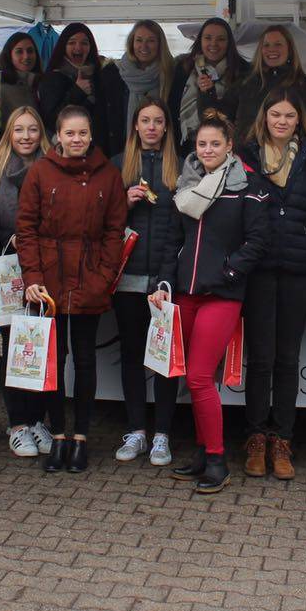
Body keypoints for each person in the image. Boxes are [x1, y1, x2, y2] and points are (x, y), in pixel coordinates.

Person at [151, 111, 271, 494]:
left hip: (222, 294)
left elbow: (258, 241)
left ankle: (218, 461)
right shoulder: (186, 184)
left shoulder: (248, 186)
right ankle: (204, 453)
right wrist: (164, 283)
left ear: (229, 146)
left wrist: (228, 272)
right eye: (202, 144)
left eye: (215, 143)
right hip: (185, 294)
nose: (207, 150)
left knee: (200, 377)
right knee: (193, 377)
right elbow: (173, 242)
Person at [18, 104, 128, 473]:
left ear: (91, 135)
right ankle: (58, 435)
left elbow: (114, 231)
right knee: (55, 359)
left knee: (84, 359)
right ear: (59, 136)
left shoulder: (108, 175)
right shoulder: (40, 171)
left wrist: (104, 276)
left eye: (82, 133)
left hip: (89, 278)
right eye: (70, 133)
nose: (76, 139)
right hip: (48, 282)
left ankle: (81, 437)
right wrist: (33, 278)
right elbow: (26, 228)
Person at [238, 89, 306, 480]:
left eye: (289, 115)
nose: (281, 121)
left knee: (287, 359)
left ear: (299, 120)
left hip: (299, 271)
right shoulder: (245, 156)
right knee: (261, 359)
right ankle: (256, 438)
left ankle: (283, 441)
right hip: (258, 270)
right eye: (275, 114)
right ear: (264, 117)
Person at [0, 106, 52, 457]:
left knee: (42, 344)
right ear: (9, 133)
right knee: (15, 347)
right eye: (19, 129)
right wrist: (13, 239)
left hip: (48, 270)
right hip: (9, 271)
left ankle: (38, 421)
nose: (26, 136)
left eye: (32, 129)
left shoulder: (54, 169)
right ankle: (18, 425)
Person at [112, 97, 184, 467]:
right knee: (131, 355)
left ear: (166, 126)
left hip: (165, 281)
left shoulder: (181, 167)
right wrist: (123, 203)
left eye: (158, 121)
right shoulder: (118, 165)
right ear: (135, 126)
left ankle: (162, 435)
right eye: (145, 120)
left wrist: (167, 278)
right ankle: (137, 430)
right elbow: (102, 221)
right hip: (127, 277)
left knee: (163, 358)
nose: (151, 127)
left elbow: (183, 228)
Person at [225, 24, 306, 143]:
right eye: (266, 45)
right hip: (245, 152)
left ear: (289, 49)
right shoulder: (245, 81)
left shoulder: (303, 84)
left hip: (287, 152)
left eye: (278, 44)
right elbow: (223, 113)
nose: (271, 49)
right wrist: (208, 92)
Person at [169, 16, 247, 154]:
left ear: (229, 43)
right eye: (208, 38)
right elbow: (172, 105)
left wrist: (209, 92)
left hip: (225, 148)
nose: (213, 44)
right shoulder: (184, 67)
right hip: (185, 144)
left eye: (220, 39)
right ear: (200, 41)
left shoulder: (242, 71)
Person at [98, 19, 174, 157]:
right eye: (139, 40)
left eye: (151, 41)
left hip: (162, 156)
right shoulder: (112, 74)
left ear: (160, 44)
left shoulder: (172, 74)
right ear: (131, 43)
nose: (144, 46)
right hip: (119, 154)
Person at [35, 22, 104, 133]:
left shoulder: (99, 76)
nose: (78, 47)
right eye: (72, 42)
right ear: (63, 46)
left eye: (84, 43)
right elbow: (52, 120)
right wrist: (78, 91)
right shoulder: (52, 78)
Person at [0, 31, 43, 121]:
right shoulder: (1, 89)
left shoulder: (42, 84)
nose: (26, 56)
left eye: (30, 51)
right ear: (9, 55)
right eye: (19, 52)